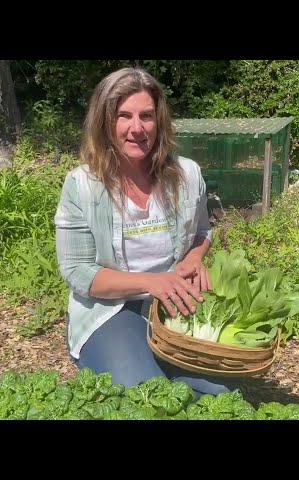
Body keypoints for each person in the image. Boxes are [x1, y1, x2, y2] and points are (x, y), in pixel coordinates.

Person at [55, 67, 238, 397]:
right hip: (110, 310)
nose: (136, 128)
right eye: (123, 116)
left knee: (219, 393)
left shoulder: (187, 174)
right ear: (105, 122)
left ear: (159, 121)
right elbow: (78, 272)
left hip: (176, 306)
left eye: (146, 116)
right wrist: (151, 282)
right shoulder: (82, 185)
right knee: (146, 394)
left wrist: (194, 259)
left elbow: (202, 232)